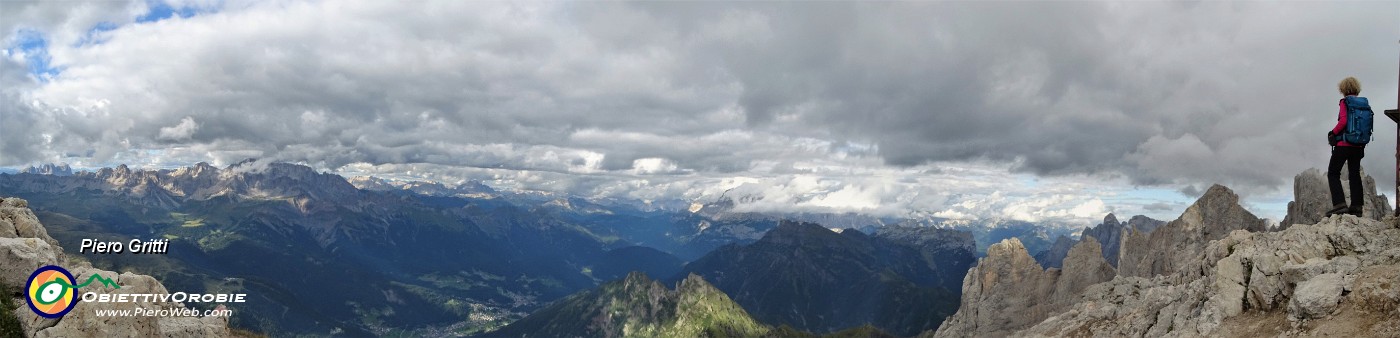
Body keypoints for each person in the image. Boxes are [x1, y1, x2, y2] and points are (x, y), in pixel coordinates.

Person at [1325, 76, 1367, 216]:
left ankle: (1340, 204)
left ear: (1343, 89)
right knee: (1354, 174)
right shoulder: (1364, 104)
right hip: (1359, 146)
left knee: (1333, 173)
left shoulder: (1345, 102)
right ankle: (1357, 207)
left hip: (1344, 144)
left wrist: (1332, 133)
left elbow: (1343, 121)